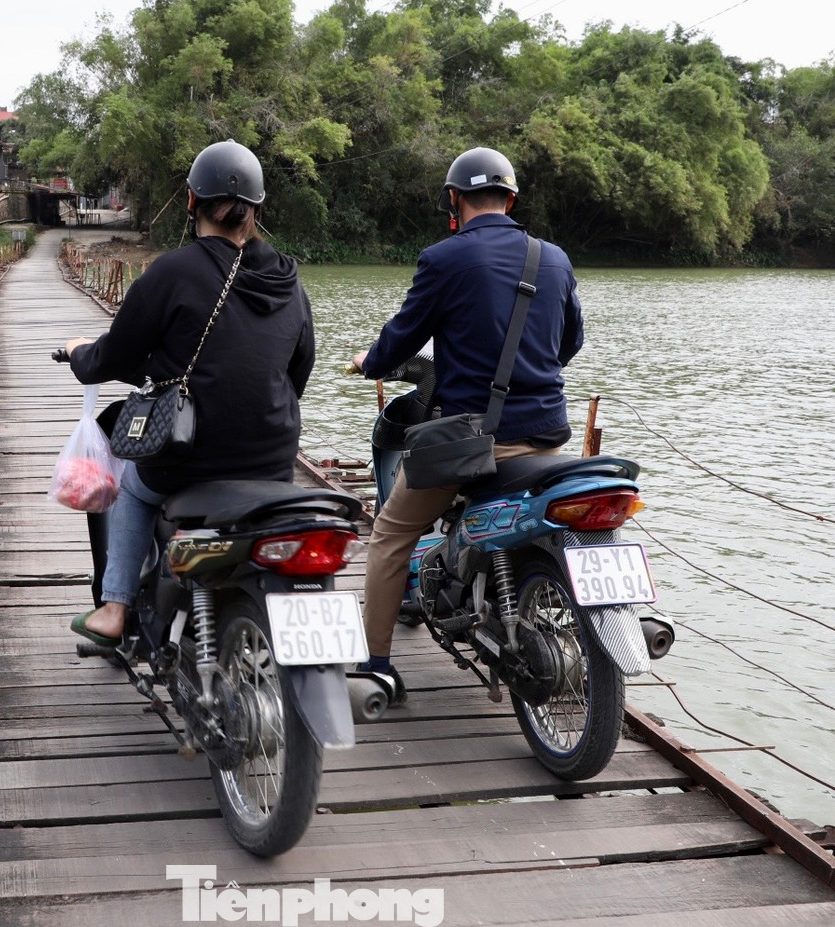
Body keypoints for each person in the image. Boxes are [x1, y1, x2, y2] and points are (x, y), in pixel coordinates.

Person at [350, 146, 584, 706]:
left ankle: (376, 665)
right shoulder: (553, 258)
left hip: (472, 445)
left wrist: (370, 362)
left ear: (454, 201)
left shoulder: (444, 258)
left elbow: (402, 336)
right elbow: (570, 342)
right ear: (511, 199)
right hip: (548, 435)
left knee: (389, 535)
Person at [64, 140, 315, 645]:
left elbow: (113, 356)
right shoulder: (289, 281)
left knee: (133, 486)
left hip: (190, 457)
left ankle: (114, 609)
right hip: (272, 459)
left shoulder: (173, 271)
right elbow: (300, 370)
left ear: (190, 201)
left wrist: (78, 354)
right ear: (257, 210)